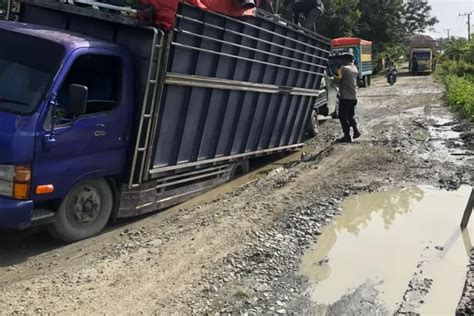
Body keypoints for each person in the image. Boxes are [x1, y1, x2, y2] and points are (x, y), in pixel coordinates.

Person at [334, 53, 360, 143]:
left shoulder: (343, 68)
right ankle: (356, 131)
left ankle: (347, 136)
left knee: (342, 117)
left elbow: (336, 80)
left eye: (342, 59)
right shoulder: (354, 68)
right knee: (350, 115)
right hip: (353, 97)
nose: (340, 61)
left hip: (345, 97)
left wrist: (334, 77)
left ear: (345, 60)